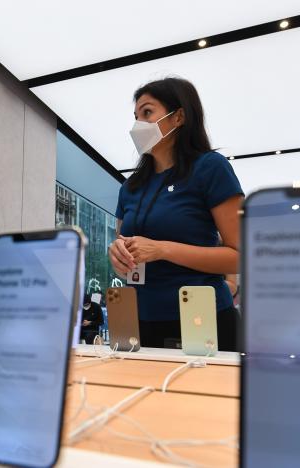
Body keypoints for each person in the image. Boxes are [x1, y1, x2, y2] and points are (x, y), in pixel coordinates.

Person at [108, 77, 243, 350]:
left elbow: (239, 258)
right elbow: (125, 248)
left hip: (203, 320)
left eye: (147, 112)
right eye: (135, 116)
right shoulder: (130, 187)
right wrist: (117, 257)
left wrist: (162, 249)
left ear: (178, 116)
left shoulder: (210, 168)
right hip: (140, 321)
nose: (138, 125)